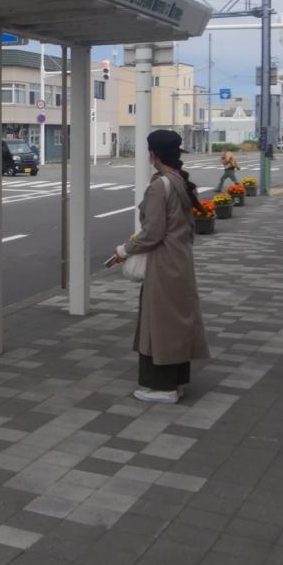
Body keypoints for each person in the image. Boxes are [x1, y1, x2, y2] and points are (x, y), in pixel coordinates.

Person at [107, 130, 210, 403]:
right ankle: (175, 383)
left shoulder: (159, 186)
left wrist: (123, 251)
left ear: (152, 154)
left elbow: (152, 233)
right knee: (176, 322)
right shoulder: (181, 182)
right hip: (181, 261)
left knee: (159, 324)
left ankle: (163, 388)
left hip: (163, 264)